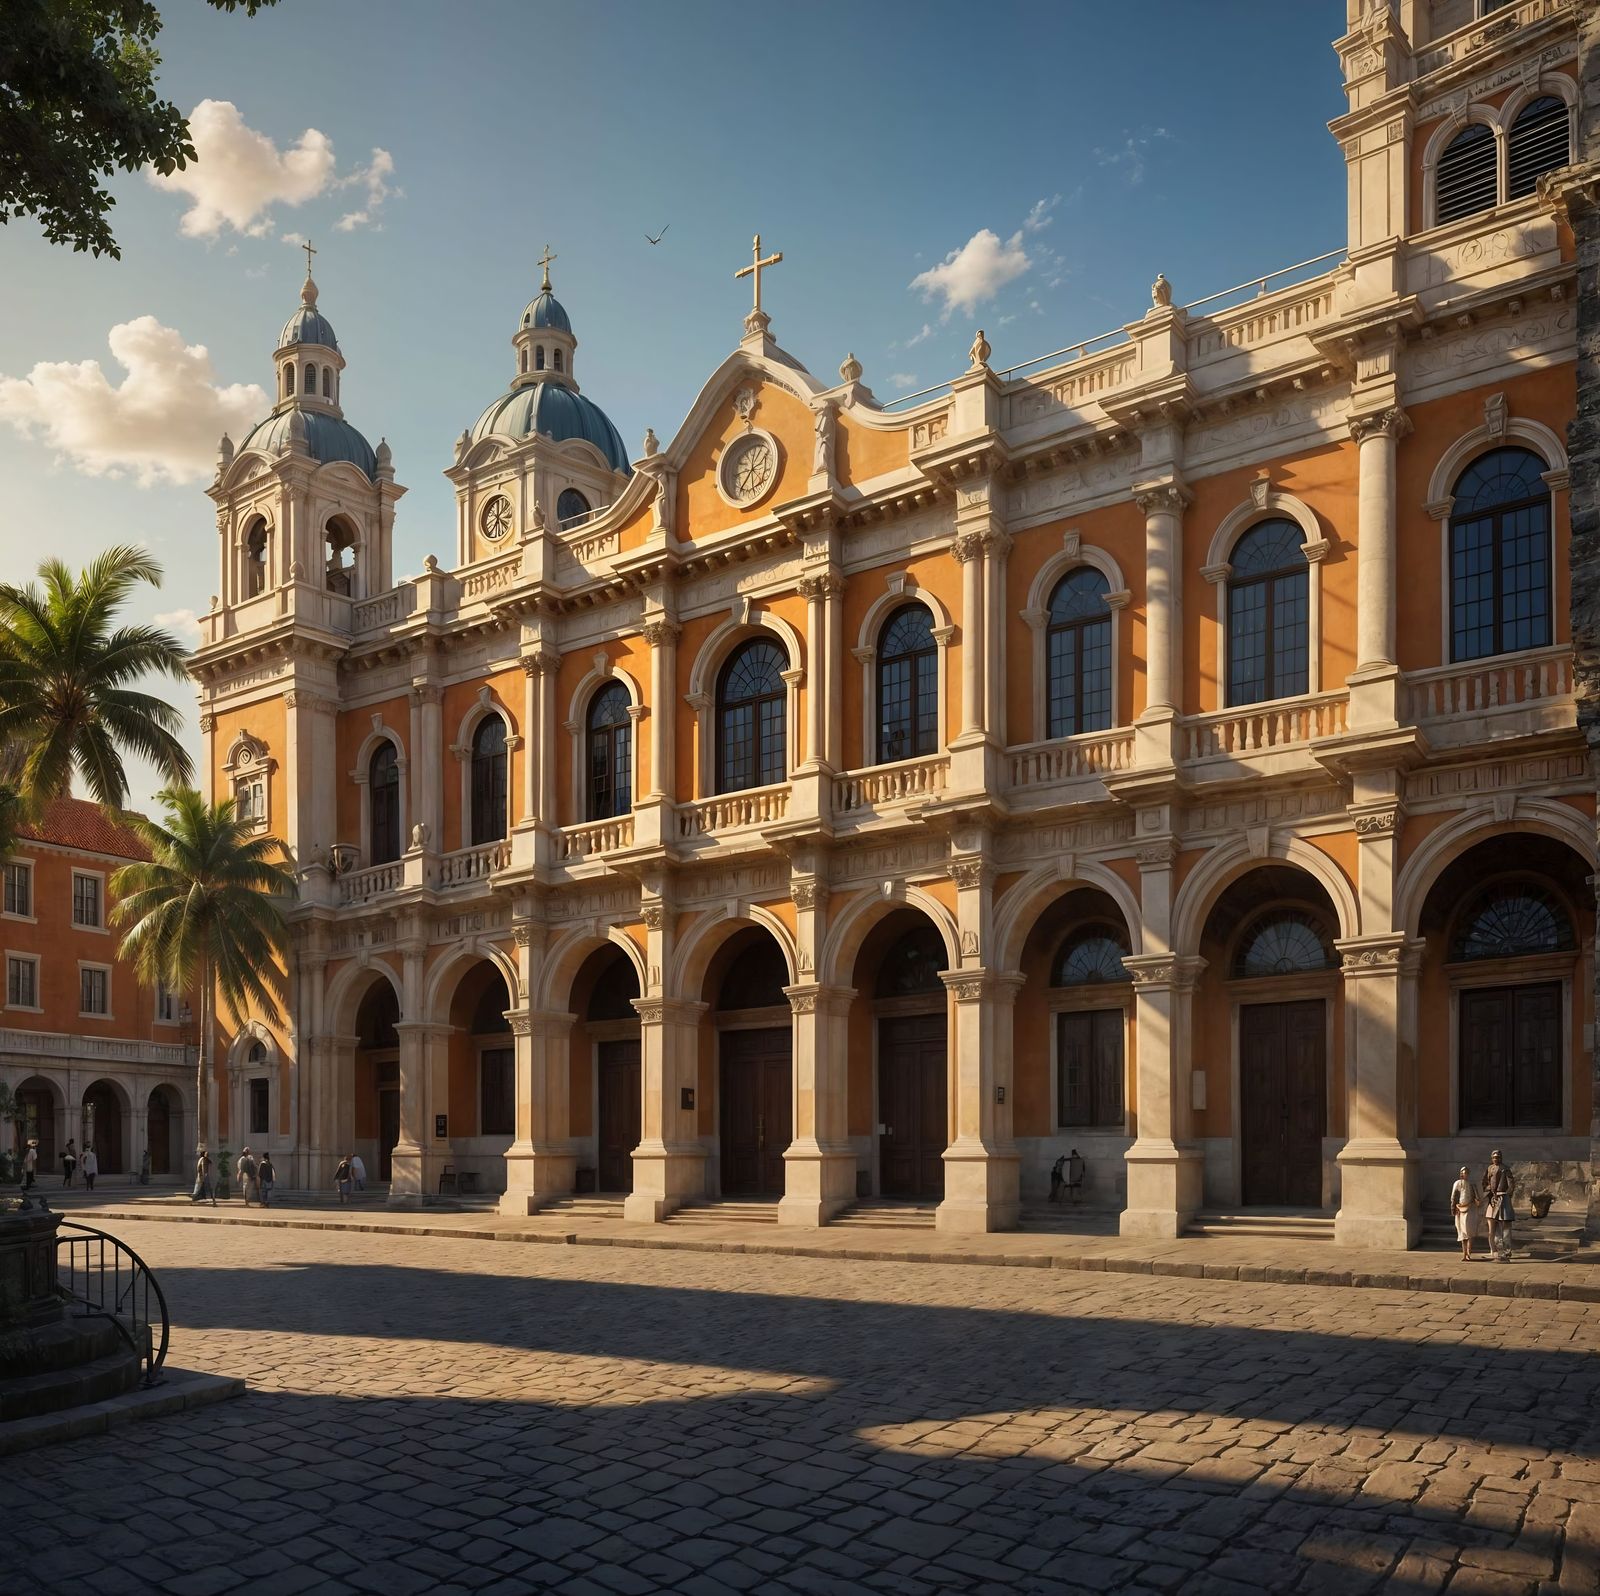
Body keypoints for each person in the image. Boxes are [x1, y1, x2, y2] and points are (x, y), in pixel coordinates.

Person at [1483, 1149, 1516, 1262]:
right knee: (1493, 1224)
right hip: (1493, 1199)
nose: (1496, 1159)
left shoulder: (1505, 1169)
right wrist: (1488, 1191)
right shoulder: (1489, 1168)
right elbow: (1486, 1182)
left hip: (1503, 1198)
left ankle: (1506, 1251)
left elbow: (1511, 1184)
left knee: (1505, 1226)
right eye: (1494, 1157)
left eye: (1497, 1157)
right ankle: (1496, 1251)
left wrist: (1507, 1195)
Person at [1450, 1165, 1480, 1262]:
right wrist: (1453, 1208)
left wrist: (1476, 1201)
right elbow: (1453, 1196)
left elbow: (1477, 1198)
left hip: (1470, 1210)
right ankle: (1464, 1254)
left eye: (1466, 1173)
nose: (1464, 1174)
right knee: (1462, 1233)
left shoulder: (1472, 1185)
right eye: (1463, 1173)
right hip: (1460, 1210)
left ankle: (1469, 1253)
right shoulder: (1458, 1183)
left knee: (1469, 1232)